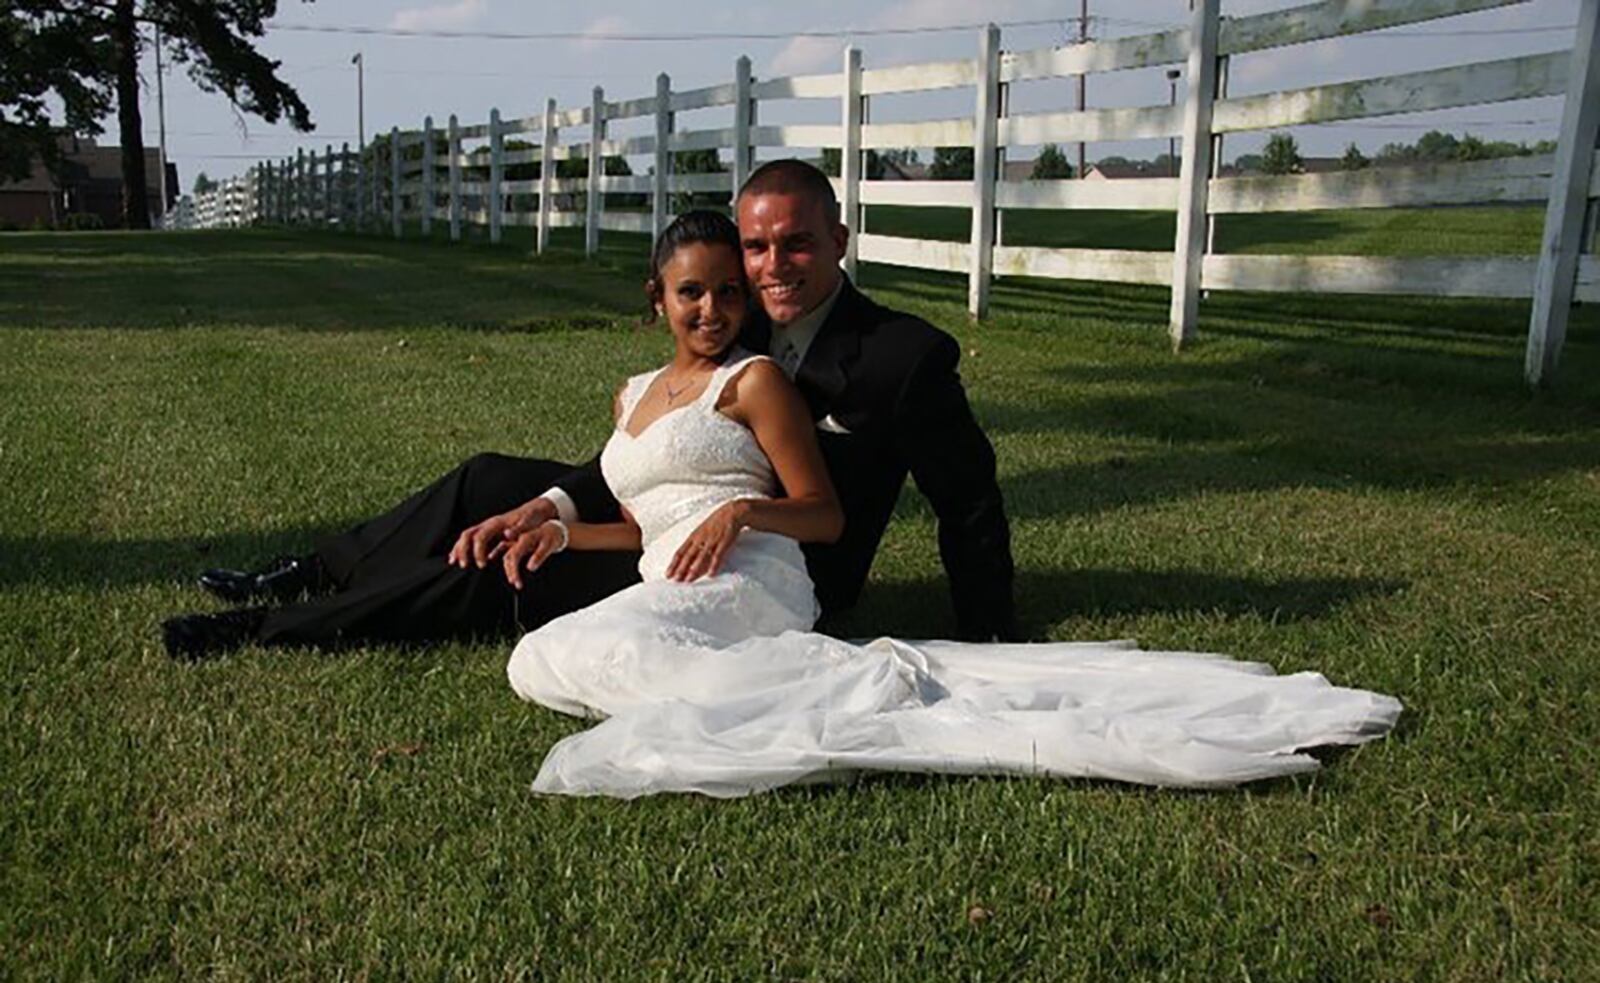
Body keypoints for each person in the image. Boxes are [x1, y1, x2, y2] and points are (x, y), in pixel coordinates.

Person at [505, 210, 1401, 798]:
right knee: (544, 659)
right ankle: (803, 682)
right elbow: (650, 515)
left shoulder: (790, 370)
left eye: (728, 290)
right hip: (671, 577)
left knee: (597, 650)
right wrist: (566, 527)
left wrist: (745, 516)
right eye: (695, 291)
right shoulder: (634, 393)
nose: (717, 305)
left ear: (835, 241)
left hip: (757, 571)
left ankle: (847, 682)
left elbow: (910, 502)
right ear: (655, 298)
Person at [162, 158, 1014, 660]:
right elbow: (657, 453)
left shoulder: (906, 356)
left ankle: (276, 627)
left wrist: (987, 637)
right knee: (489, 481)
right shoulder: (736, 312)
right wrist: (553, 501)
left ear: (838, 239)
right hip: (669, 514)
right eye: (756, 247)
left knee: (506, 566)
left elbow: (968, 499)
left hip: (757, 568)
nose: (772, 265)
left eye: (794, 242)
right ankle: (314, 569)